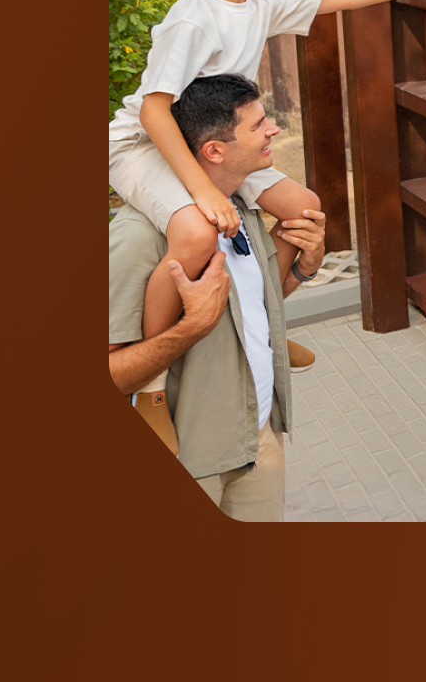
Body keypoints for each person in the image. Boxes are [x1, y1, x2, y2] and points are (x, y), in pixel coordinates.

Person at [107, 0, 426, 348]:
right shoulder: (191, 22)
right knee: (195, 231)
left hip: (215, 142)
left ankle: (263, 320)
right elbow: (153, 111)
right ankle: (153, 375)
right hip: (145, 144)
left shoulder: (257, 0)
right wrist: (204, 191)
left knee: (303, 206)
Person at [108, 74, 328, 520]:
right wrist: (192, 328)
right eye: (258, 125)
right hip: (190, 462)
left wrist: (304, 267)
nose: (274, 131)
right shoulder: (139, 237)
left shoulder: (243, 212)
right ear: (214, 151)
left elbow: (255, 311)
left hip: (258, 439)